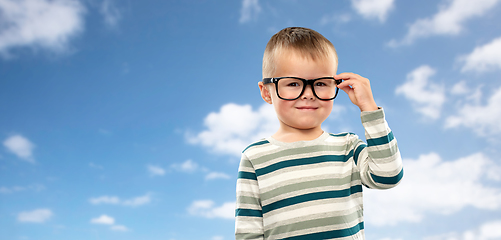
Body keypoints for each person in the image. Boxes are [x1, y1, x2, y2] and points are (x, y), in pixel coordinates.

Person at [235, 27, 403, 240]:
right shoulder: (254, 157)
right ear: (267, 92)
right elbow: (248, 232)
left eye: (320, 84)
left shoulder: (348, 146)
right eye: (293, 83)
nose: (308, 94)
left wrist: (369, 108)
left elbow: (388, 177)